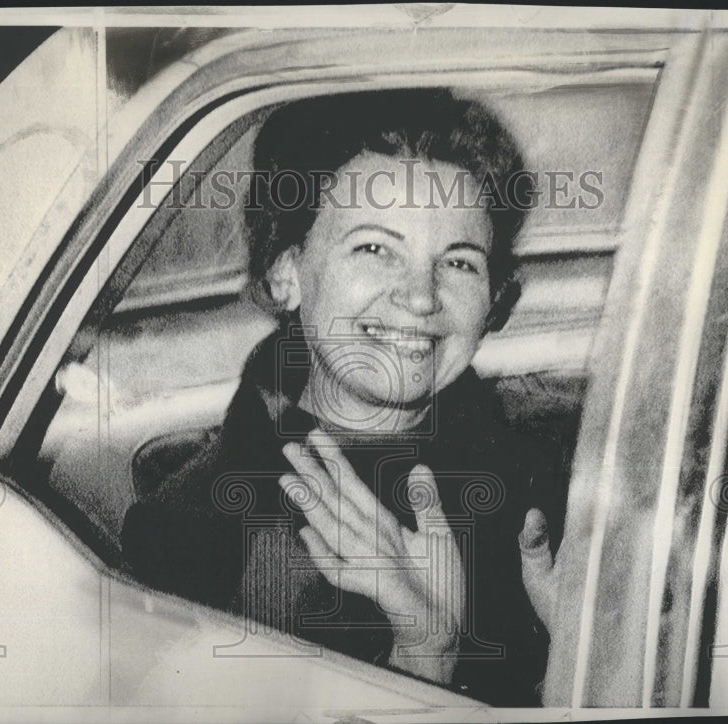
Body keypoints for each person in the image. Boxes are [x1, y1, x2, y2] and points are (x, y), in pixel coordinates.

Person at [121, 89, 562, 707]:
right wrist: (425, 658)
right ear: (286, 274)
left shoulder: (542, 485)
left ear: (493, 300)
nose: (420, 297)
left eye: (459, 262)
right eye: (375, 248)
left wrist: (575, 650)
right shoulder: (194, 532)